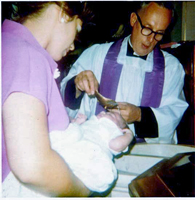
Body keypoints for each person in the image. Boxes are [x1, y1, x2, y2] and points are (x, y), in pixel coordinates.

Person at [60, 1, 188, 144]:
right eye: (147, 28)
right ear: (133, 19)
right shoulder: (96, 55)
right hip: (98, 149)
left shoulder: (171, 68)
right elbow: (63, 100)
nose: (151, 39)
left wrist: (139, 115)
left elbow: (172, 114)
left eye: (159, 34)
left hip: (148, 155)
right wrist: (77, 85)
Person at [2, 2, 94, 197]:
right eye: (76, 30)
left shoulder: (7, 43)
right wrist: (82, 191)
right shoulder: (28, 55)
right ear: (62, 11)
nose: (73, 45)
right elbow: (32, 166)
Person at [2, 111, 133, 197]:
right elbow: (79, 130)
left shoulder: (114, 131)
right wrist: (78, 122)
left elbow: (115, 145)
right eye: (107, 111)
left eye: (113, 115)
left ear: (119, 128)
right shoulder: (93, 121)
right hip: (73, 144)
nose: (104, 112)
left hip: (89, 152)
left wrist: (129, 135)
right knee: (69, 134)